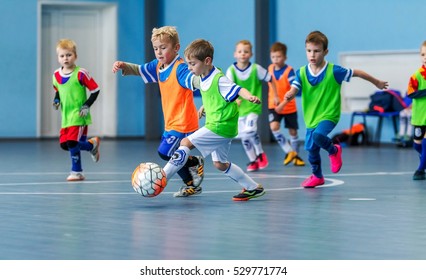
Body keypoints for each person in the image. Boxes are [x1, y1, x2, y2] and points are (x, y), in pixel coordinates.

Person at [275, 31, 388, 188]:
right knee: (310, 149)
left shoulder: (335, 71)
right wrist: (290, 93)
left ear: (325, 52)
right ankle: (317, 176)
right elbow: (295, 88)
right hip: (311, 117)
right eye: (309, 51)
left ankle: (334, 150)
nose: (312, 55)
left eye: (316, 51)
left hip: (329, 114)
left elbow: (358, 73)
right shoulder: (301, 72)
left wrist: (376, 82)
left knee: (319, 135)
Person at [163, 39, 265, 201]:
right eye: (188, 64)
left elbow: (238, 89)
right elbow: (215, 97)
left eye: (192, 64)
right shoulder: (204, 76)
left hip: (220, 126)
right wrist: (204, 107)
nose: (189, 68)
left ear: (207, 61)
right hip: (222, 127)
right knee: (220, 164)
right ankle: (253, 188)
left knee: (185, 143)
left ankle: (162, 178)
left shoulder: (219, 78)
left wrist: (250, 97)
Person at [112, 26, 204, 197]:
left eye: (163, 47)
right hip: (171, 121)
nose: (159, 52)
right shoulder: (159, 66)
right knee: (172, 155)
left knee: (165, 152)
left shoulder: (181, 68)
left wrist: (206, 84)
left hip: (183, 121)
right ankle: (192, 183)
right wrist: (124, 65)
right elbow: (140, 70)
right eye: (156, 48)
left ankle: (192, 162)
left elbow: (195, 81)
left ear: (176, 48)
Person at [53, 39, 101, 181]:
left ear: (75, 56)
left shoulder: (81, 73)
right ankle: (91, 145)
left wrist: (86, 106)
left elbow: (95, 90)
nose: (65, 58)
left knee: (72, 143)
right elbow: (58, 90)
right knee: (64, 145)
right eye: (62, 56)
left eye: (69, 55)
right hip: (66, 117)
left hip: (79, 115)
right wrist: (56, 100)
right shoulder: (56, 75)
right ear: (58, 58)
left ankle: (77, 172)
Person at [225, 40, 276, 172]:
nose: (243, 54)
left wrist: (275, 95)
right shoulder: (231, 70)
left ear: (251, 54)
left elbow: (270, 79)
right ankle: (253, 161)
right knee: (244, 137)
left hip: (253, 106)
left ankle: (260, 153)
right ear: (235, 54)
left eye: (246, 51)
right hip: (239, 109)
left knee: (250, 131)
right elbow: (228, 87)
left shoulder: (256, 69)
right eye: (240, 51)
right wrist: (235, 100)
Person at [267, 42, 305, 167]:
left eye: (278, 57)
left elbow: (294, 90)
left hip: (288, 106)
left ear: (285, 58)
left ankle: (296, 156)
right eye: (273, 57)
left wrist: (283, 104)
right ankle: (290, 152)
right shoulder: (270, 69)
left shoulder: (289, 71)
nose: (275, 60)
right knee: (274, 127)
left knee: (293, 132)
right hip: (273, 105)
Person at [407, 40, 426, 180]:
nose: (425, 57)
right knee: (417, 145)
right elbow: (411, 93)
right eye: (423, 54)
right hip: (419, 116)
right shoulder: (416, 76)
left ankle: (420, 170)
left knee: (425, 143)